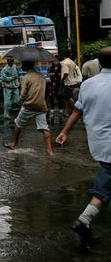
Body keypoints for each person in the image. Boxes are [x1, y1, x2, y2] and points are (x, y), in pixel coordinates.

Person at [56, 47, 111, 246]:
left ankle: (85, 222)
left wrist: (64, 131)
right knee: (107, 180)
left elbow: (77, 111)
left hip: (97, 142)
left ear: (99, 63)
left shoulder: (88, 85)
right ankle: (84, 219)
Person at [4, 61, 54, 156]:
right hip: (41, 106)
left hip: (29, 106)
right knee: (44, 128)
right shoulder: (41, 76)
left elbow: (23, 94)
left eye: (22, 65)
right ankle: (50, 150)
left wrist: (22, 102)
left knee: (18, 124)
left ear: (26, 66)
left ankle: (15, 144)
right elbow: (46, 91)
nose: (21, 67)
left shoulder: (26, 77)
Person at [60, 51, 82, 117]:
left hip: (67, 82)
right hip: (73, 81)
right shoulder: (72, 62)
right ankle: (67, 112)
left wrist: (62, 80)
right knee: (67, 98)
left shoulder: (65, 63)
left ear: (64, 55)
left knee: (68, 97)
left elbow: (66, 73)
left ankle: (77, 110)